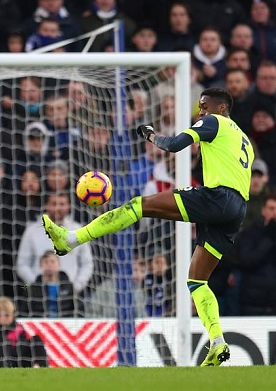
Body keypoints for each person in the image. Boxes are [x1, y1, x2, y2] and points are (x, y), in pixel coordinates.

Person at [43, 87, 254, 367]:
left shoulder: (214, 121)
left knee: (138, 205)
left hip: (218, 197)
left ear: (221, 108)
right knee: (196, 280)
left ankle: (70, 239)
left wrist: (151, 134)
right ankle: (217, 342)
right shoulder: (243, 139)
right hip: (237, 209)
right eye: (199, 108)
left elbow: (174, 144)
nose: (200, 112)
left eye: (204, 106)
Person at [0, 296, 48, 368]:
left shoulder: (19, 329)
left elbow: (21, 350)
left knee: (36, 340)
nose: (3, 318)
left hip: (16, 362)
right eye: (0, 315)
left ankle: (45, 371)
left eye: (7, 315)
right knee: (3, 342)